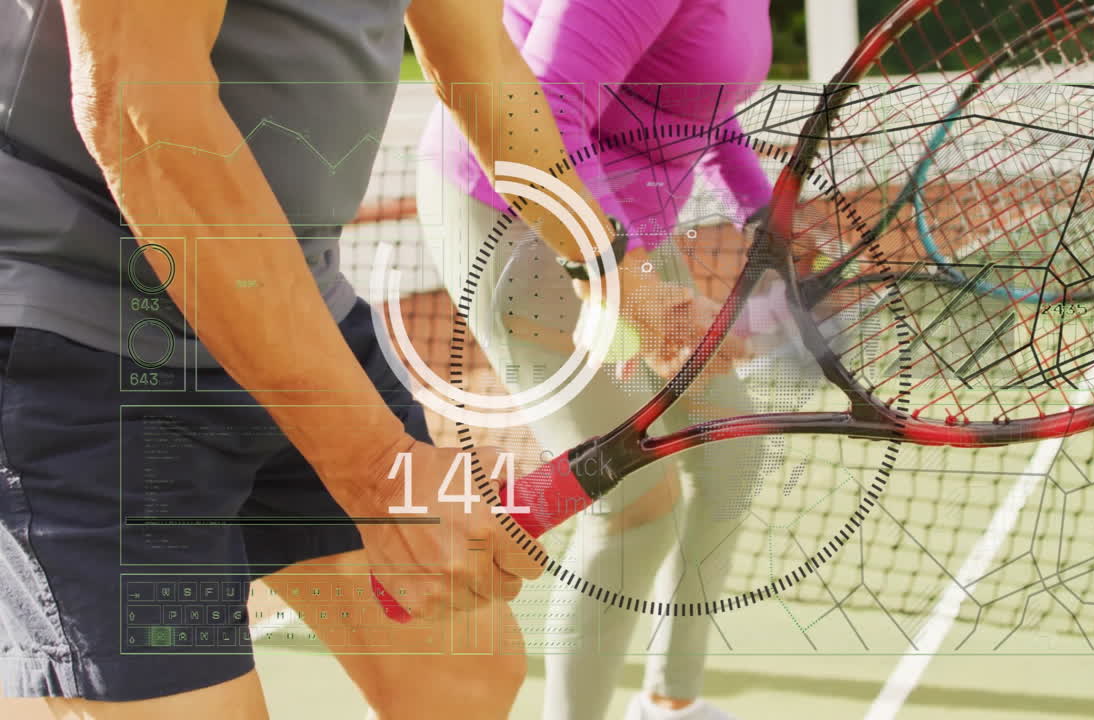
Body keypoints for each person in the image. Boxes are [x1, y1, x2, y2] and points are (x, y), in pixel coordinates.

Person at [0, 0, 681, 718]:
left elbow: (482, 66)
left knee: (465, 675)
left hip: (302, 310)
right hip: (83, 336)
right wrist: (373, 469)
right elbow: (143, 112)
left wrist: (606, 265)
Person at [415, 1, 775, 718]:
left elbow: (697, 97)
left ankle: (671, 703)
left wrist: (762, 207)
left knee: (734, 445)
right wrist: (627, 284)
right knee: (637, 505)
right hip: (526, 222)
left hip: (625, 226)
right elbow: (541, 110)